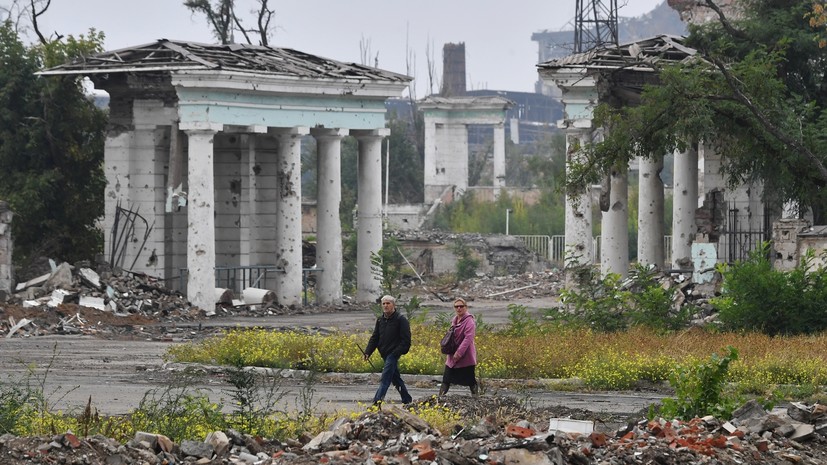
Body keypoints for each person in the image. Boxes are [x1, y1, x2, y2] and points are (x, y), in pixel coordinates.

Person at [363, 295, 413, 406]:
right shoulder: (380, 320)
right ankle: (407, 399)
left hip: (393, 354)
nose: (385, 306)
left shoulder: (401, 320)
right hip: (384, 353)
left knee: (385, 379)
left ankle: (376, 403)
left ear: (393, 305)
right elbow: (375, 337)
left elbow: (406, 341)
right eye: (384, 304)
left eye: (388, 303)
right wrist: (368, 352)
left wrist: (396, 352)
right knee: (396, 379)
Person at [439, 297, 478, 396]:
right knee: (446, 379)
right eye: (456, 306)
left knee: (470, 380)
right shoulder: (455, 320)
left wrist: (459, 352)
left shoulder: (469, 321)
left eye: (461, 306)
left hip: (465, 357)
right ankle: (439, 399)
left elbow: (468, 338)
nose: (459, 308)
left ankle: (476, 398)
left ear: (466, 307)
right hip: (452, 356)